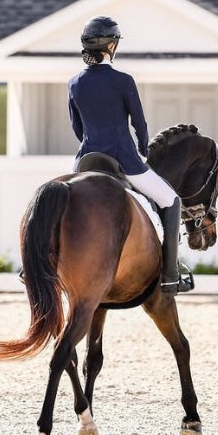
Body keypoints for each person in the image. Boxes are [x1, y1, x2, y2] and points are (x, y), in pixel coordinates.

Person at [67, 15, 192, 294]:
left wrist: (92, 144)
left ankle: (34, 267)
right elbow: (139, 123)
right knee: (171, 200)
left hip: (86, 160)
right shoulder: (123, 81)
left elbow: (77, 126)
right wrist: (144, 151)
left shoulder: (74, 83)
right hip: (124, 160)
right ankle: (171, 275)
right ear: (111, 45)